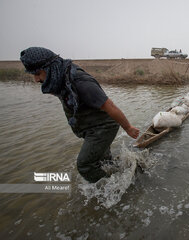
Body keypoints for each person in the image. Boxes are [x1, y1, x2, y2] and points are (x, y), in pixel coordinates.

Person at [20, 47, 140, 183]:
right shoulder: (59, 77)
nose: (36, 79)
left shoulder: (80, 82)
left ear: (50, 68)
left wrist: (128, 128)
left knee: (85, 165)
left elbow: (110, 106)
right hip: (91, 127)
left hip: (102, 128)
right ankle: (124, 176)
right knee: (103, 161)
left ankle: (112, 187)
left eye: (37, 73)